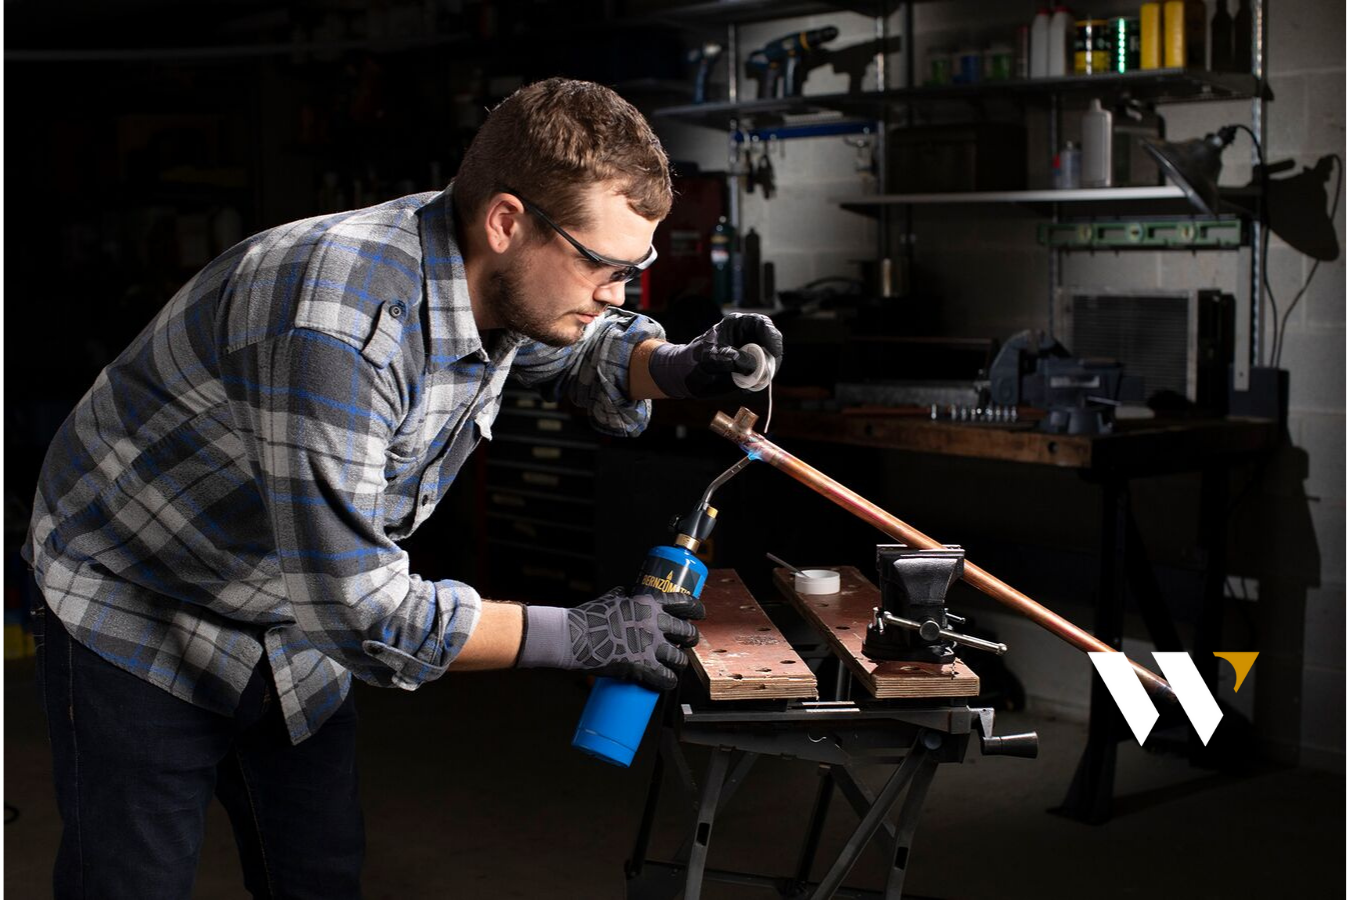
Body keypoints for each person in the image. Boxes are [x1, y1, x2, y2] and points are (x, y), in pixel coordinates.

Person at [22, 76, 783, 899]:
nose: (620, 293)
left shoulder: (486, 261)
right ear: (507, 221)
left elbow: (574, 341)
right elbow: (359, 608)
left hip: (285, 611)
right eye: (605, 265)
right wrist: (578, 635)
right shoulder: (336, 329)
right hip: (138, 597)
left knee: (316, 873)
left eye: (634, 268)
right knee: (131, 881)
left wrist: (674, 367)